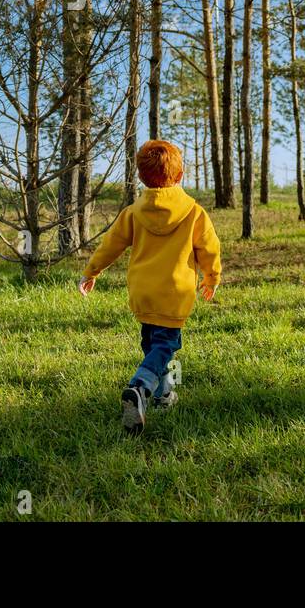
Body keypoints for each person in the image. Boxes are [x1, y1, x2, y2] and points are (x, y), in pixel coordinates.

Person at [78, 140, 222, 433]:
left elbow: (111, 245)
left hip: (143, 293)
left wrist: (92, 271)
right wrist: (212, 277)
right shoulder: (193, 212)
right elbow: (209, 248)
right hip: (175, 293)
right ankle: (140, 387)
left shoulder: (133, 212)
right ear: (180, 176)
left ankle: (164, 395)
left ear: (141, 177)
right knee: (166, 345)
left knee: (152, 344)